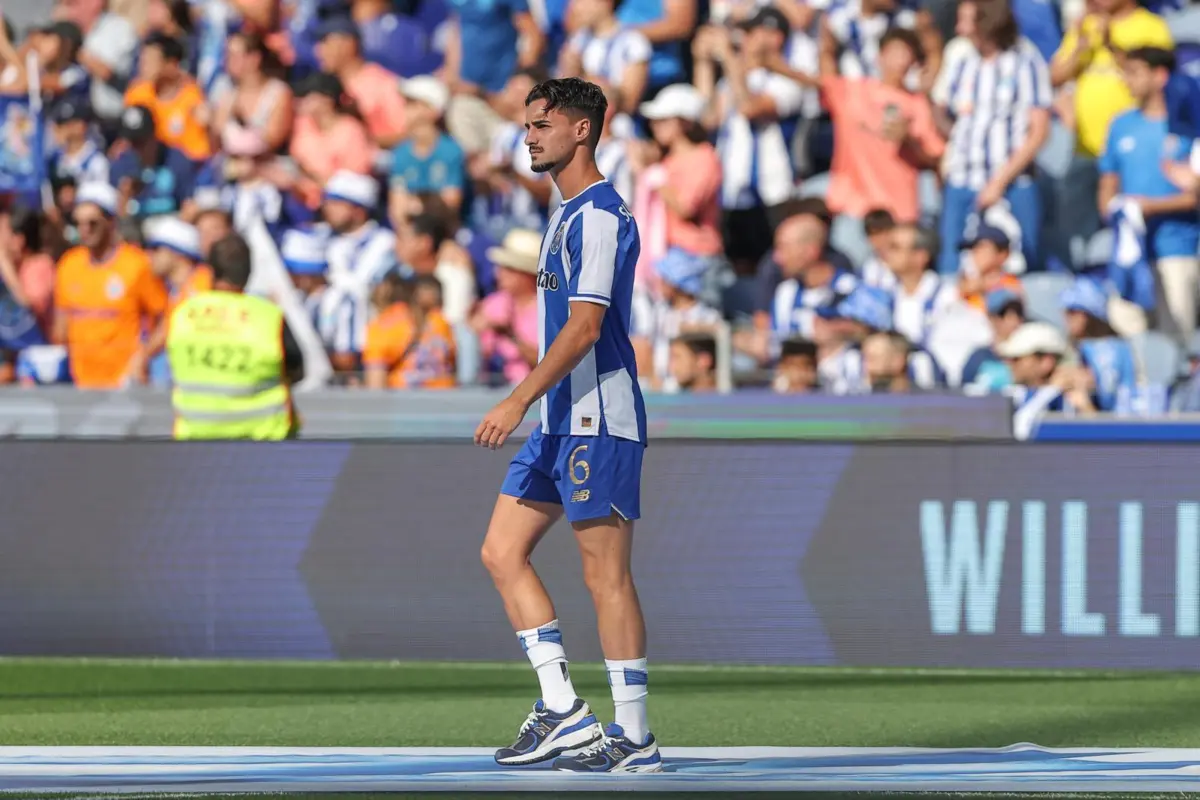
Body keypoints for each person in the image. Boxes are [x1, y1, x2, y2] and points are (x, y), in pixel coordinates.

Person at [475, 77, 659, 774]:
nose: (529, 135)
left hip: (598, 419)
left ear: (582, 130)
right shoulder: (563, 215)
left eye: (541, 125)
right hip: (558, 422)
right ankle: (563, 710)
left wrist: (516, 398)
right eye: (527, 125)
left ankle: (635, 736)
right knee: (501, 551)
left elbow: (585, 329)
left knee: (605, 576)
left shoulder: (602, 217)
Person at [167, 232, 304, 440]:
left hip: (196, 440)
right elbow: (297, 370)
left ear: (210, 271)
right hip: (261, 443)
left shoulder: (184, 314)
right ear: (248, 272)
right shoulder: (268, 316)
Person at [53, 182, 168, 389]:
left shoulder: (136, 264)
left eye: (92, 223)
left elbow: (164, 318)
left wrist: (143, 355)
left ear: (111, 222)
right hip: (80, 383)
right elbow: (61, 325)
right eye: (78, 222)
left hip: (124, 383)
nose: (84, 230)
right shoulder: (68, 265)